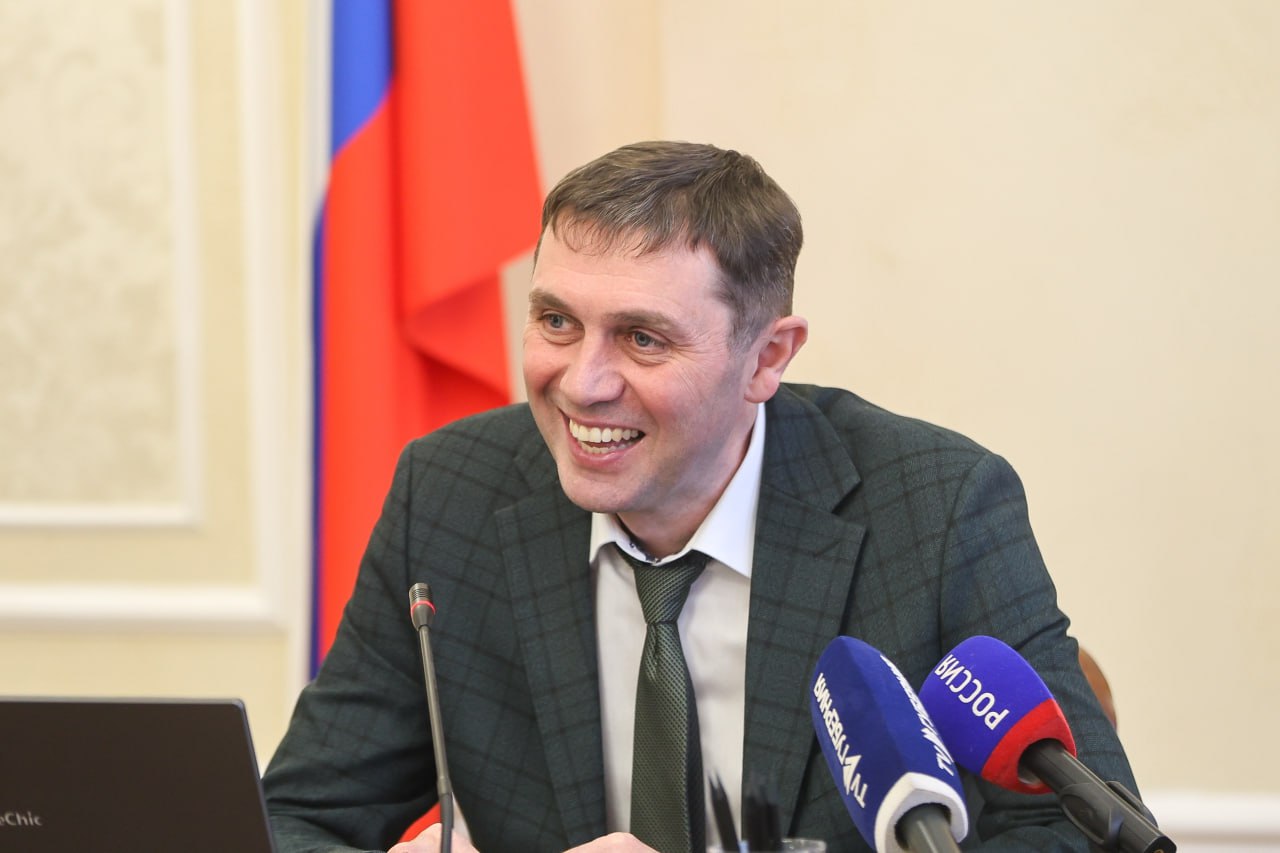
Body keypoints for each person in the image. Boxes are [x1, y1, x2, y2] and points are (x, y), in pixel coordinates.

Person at [263, 141, 1141, 852]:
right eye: (556, 321)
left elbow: (1079, 835)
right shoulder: (451, 492)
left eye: (643, 338)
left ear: (767, 357)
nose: (582, 383)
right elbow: (295, 817)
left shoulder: (937, 507)